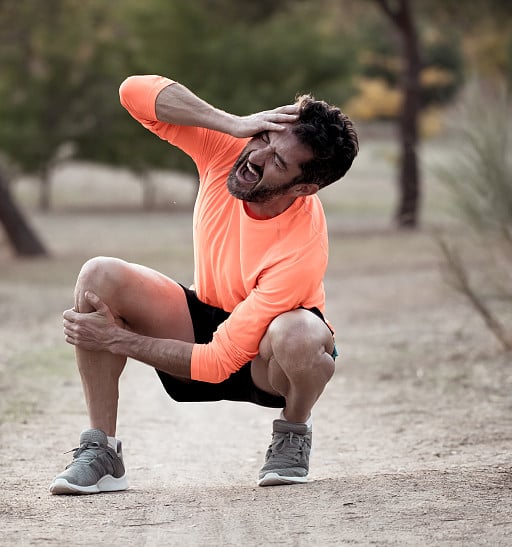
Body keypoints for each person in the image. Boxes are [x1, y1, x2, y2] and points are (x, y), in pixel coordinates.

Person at [50, 74, 358, 494]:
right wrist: (230, 122)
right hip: (202, 318)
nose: (257, 156)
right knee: (97, 276)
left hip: (266, 362)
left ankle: (293, 431)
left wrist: (115, 339)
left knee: (300, 333)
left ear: (303, 188)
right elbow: (134, 93)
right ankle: (102, 451)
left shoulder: (299, 248)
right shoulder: (230, 147)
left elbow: (217, 364)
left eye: (278, 163)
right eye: (265, 137)